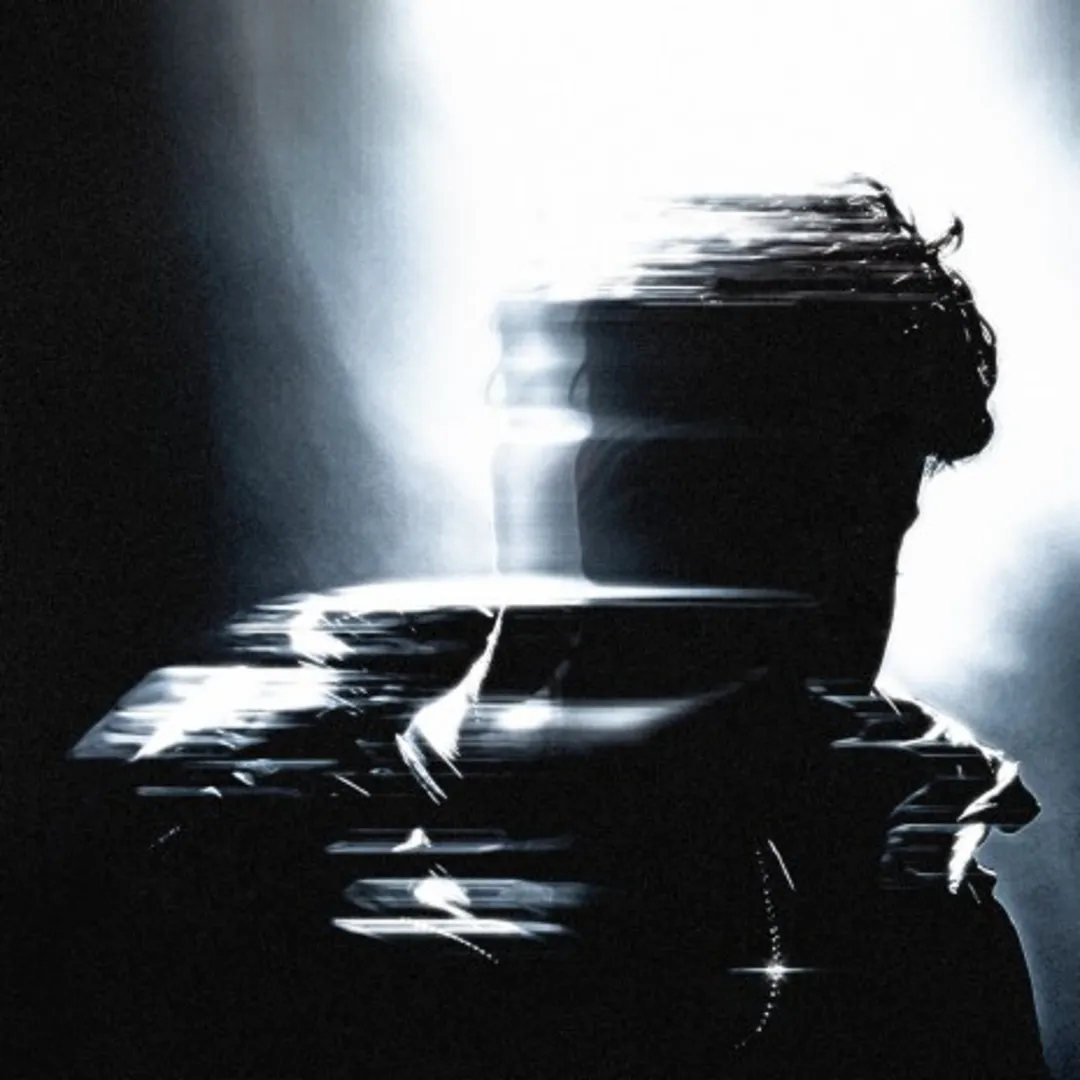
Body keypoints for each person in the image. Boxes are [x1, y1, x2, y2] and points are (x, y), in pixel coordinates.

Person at [55, 178, 1048, 1078]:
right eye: (787, 518)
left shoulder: (915, 932)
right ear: (615, 491)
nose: (845, 609)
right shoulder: (246, 860)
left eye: (879, 532)